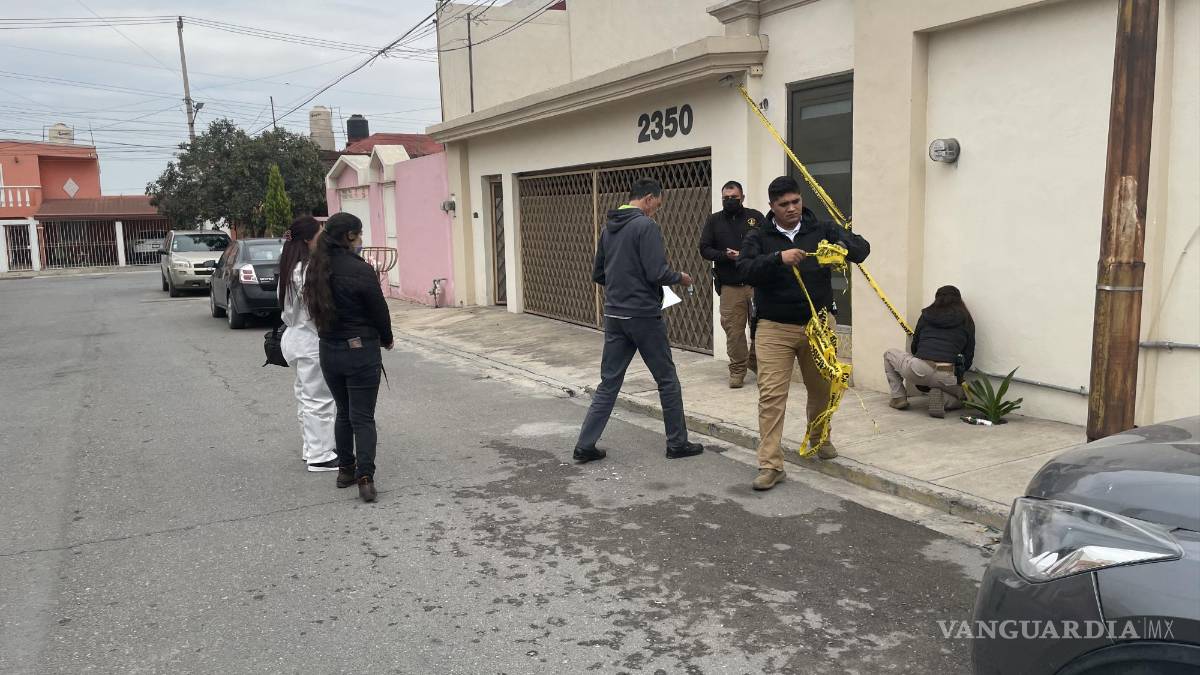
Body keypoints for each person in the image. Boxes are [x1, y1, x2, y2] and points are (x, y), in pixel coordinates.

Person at [738, 176, 870, 491]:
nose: (792, 209)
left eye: (796, 202)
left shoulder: (821, 229)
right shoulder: (759, 236)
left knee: (822, 390)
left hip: (819, 325)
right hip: (774, 327)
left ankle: (819, 437)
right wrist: (777, 259)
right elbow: (743, 269)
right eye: (784, 205)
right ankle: (770, 464)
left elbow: (862, 249)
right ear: (772, 207)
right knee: (771, 396)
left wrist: (841, 247)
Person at [573, 177, 705, 463]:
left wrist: (622, 283)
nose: (655, 211)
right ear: (647, 199)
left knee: (609, 382)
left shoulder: (609, 228)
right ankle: (677, 443)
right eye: (655, 205)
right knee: (667, 379)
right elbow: (657, 272)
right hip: (643, 315)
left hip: (615, 314)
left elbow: (598, 274)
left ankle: (585, 444)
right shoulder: (646, 226)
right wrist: (680, 278)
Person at [303, 212, 394, 502]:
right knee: (363, 417)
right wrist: (387, 338)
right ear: (349, 236)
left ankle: (345, 470)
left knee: (343, 412)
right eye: (360, 234)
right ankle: (365, 477)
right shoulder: (361, 269)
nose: (362, 240)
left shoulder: (315, 268)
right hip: (360, 349)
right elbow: (379, 310)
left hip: (329, 349)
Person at [278, 216, 338, 472]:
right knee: (320, 399)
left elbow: (287, 311)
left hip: (293, 337)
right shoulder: (307, 270)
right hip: (310, 342)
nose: (322, 237)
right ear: (308, 239)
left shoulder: (288, 268)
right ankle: (320, 454)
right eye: (319, 233)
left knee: (305, 396)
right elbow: (316, 310)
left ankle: (310, 447)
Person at [699, 180, 766, 388]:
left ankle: (755, 361)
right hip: (730, 286)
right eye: (725, 198)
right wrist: (724, 256)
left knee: (761, 328)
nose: (729, 201)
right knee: (734, 331)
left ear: (742, 198)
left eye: (733, 198)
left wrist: (745, 255)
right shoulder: (714, 221)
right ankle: (737, 370)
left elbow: (768, 244)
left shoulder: (755, 217)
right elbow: (704, 248)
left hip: (756, 285)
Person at [884, 285, 974, 418]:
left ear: (936, 299)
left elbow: (915, 345)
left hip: (919, 368)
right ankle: (943, 400)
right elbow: (968, 354)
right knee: (964, 398)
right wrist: (959, 378)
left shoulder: (927, 314)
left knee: (889, 354)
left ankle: (898, 397)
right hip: (947, 374)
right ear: (959, 300)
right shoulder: (967, 319)